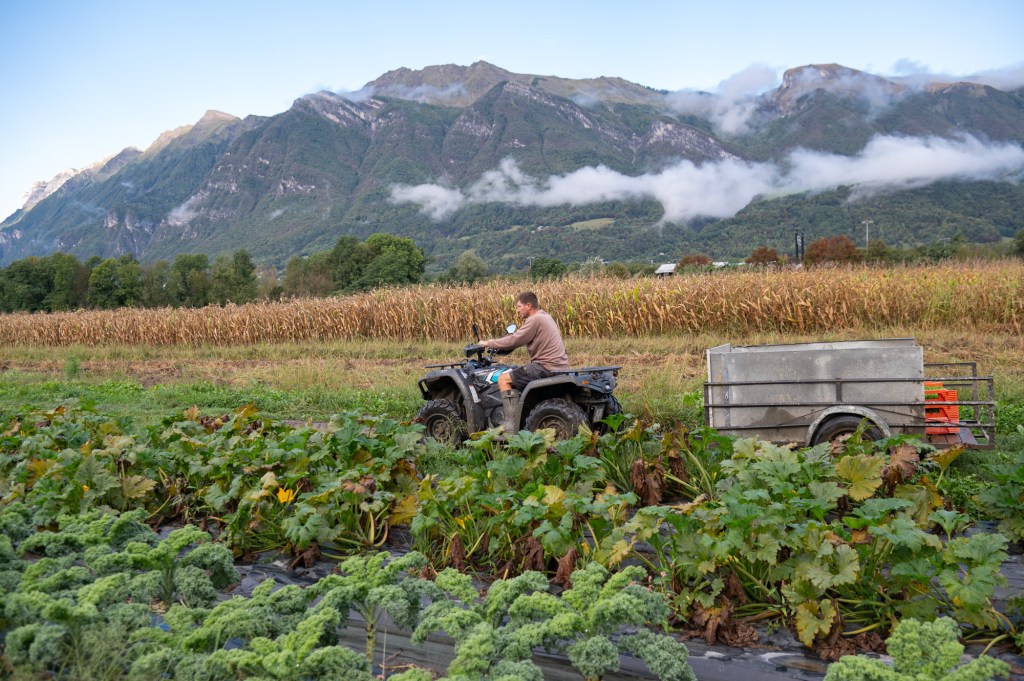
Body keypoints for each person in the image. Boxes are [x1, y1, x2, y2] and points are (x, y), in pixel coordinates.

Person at [480, 291, 569, 433]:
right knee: (519, 373)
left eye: (518, 306)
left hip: (544, 366)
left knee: (503, 379)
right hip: (559, 366)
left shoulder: (534, 319)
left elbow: (514, 339)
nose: (517, 310)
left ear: (528, 305)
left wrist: (488, 343)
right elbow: (519, 340)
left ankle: (510, 424)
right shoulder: (545, 316)